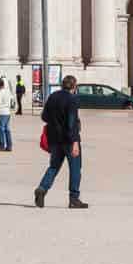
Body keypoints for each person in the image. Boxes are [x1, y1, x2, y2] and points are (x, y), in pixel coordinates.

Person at [34, 75, 86, 209]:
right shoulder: (72, 100)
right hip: (68, 140)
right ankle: (74, 198)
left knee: (54, 166)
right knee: (75, 169)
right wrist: (75, 142)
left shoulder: (52, 97)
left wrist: (55, 121)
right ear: (74, 87)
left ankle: (42, 188)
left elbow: (44, 116)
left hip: (54, 140)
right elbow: (71, 122)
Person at [0, 78, 14, 152]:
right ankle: (9, 146)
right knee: (7, 129)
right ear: (3, 84)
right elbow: (12, 99)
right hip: (8, 112)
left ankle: (2, 145)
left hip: (1, 112)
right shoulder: (8, 92)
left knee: (1, 130)